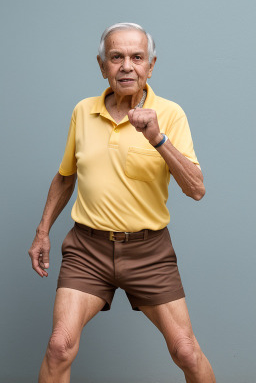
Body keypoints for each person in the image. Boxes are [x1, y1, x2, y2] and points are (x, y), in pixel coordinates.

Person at [28, 22, 216, 383]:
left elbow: (196, 189)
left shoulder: (171, 114)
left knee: (186, 351)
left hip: (150, 252)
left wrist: (157, 138)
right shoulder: (83, 111)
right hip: (87, 249)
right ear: (103, 66)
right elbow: (66, 176)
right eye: (116, 57)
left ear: (151, 65)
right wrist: (42, 232)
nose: (126, 66)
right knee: (59, 346)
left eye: (136, 57)